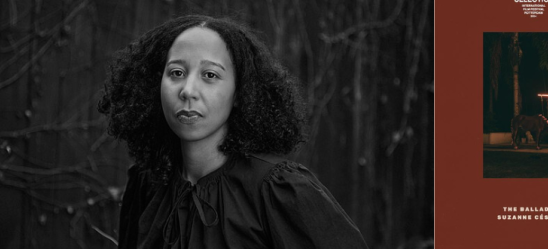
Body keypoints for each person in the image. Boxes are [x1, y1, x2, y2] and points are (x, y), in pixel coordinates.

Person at [98, 15, 368, 248]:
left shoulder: (277, 191)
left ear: (240, 93)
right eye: (177, 72)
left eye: (210, 75)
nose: (188, 90)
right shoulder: (147, 184)